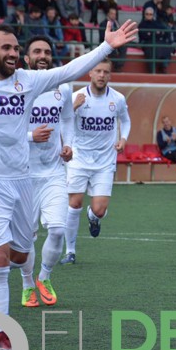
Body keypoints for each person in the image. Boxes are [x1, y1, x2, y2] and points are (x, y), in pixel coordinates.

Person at [0, 20, 137, 350]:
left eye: (14, 47)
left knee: (19, 256)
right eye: (5, 47)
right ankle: (3, 332)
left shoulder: (29, 81)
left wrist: (106, 46)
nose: (11, 53)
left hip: (22, 180)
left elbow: (69, 70)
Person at [59, 60, 130, 265]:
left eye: (106, 72)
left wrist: (123, 138)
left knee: (99, 209)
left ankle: (93, 216)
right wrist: (72, 108)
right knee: (74, 203)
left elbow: (125, 120)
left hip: (105, 160)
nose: (101, 75)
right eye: (98, 71)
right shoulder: (76, 97)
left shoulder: (117, 99)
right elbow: (65, 122)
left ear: (110, 75)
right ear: (90, 73)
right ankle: (70, 252)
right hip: (79, 158)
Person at [22, 35, 75, 307]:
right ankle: (27, 284)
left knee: (57, 229)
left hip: (54, 172)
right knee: (26, 237)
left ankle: (44, 277)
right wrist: (32, 136)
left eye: (46, 51)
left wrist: (69, 145)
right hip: (24, 175)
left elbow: (67, 119)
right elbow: (4, 130)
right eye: (36, 52)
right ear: (26, 58)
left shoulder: (63, 86)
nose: (42, 55)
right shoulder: (16, 86)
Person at [138, 7, 175, 74]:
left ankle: (164, 66)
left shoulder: (157, 23)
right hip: (147, 43)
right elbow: (144, 36)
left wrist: (153, 34)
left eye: (150, 14)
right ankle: (152, 71)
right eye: (147, 14)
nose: (149, 16)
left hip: (157, 42)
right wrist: (156, 34)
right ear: (144, 15)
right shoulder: (141, 24)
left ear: (153, 15)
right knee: (151, 50)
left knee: (166, 47)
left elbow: (165, 30)